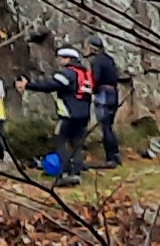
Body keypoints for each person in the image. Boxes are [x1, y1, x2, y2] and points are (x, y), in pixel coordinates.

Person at [51, 47, 95, 176]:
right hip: (84, 115)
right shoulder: (86, 74)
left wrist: (29, 85)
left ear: (68, 59)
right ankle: (77, 171)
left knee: (61, 139)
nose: (59, 61)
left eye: (62, 58)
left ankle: (65, 172)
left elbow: (51, 85)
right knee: (77, 142)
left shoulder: (68, 73)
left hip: (68, 114)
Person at [89, 43, 127, 169]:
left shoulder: (97, 61)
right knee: (109, 126)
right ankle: (115, 153)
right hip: (114, 93)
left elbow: (96, 78)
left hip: (103, 93)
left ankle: (111, 157)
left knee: (105, 127)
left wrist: (92, 89)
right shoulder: (110, 59)